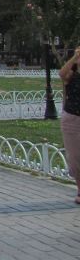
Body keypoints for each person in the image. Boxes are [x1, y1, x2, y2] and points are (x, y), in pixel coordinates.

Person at [59, 46, 80, 204]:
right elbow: (61, 74)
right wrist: (74, 58)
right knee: (74, 159)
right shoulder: (71, 76)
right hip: (72, 118)